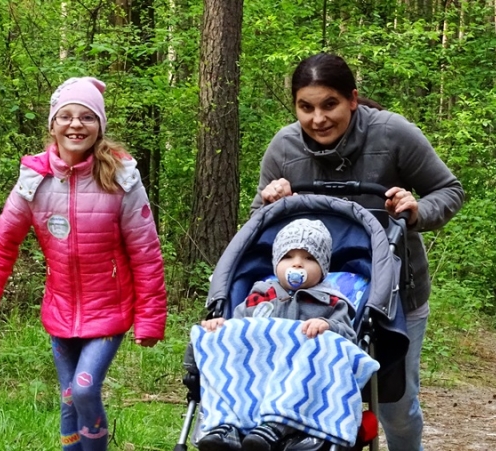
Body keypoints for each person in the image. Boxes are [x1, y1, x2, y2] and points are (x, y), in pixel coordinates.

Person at [251, 53, 464, 451]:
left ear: (352, 99)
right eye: (306, 107)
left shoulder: (392, 133)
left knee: (395, 404)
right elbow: (258, 223)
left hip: (395, 293)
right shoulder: (284, 147)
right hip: (309, 297)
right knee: (311, 393)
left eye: (329, 104)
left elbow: (449, 190)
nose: (318, 119)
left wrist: (416, 210)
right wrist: (270, 202)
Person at [0, 77, 168, 451]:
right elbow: (1, 243)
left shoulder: (121, 179)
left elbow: (146, 252)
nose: (76, 125)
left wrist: (150, 318)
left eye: (87, 117)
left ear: (99, 126)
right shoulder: (34, 181)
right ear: (53, 124)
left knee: (85, 389)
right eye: (66, 116)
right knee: (69, 397)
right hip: (60, 310)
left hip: (109, 311)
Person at [197, 218, 357, 451]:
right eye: (288, 257)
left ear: (323, 268)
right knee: (231, 371)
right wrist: (221, 327)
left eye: (309, 258)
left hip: (300, 377)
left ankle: (277, 426)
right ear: (275, 262)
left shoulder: (332, 303)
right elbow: (237, 331)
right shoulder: (259, 297)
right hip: (257, 372)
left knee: (301, 379)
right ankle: (226, 426)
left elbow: (349, 339)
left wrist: (327, 325)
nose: (298, 264)